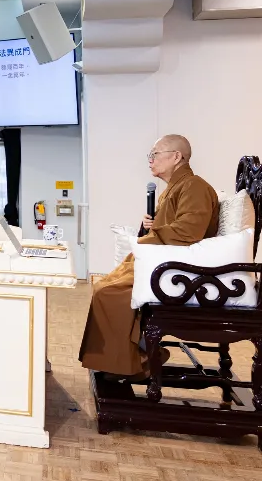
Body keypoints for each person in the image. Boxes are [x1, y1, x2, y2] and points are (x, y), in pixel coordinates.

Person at [79, 135, 220, 378]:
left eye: (155, 154)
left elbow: (189, 231)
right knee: (104, 285)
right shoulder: (173, 189)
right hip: (159, 258)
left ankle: (129, 364)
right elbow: (170, 227)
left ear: (176, 157)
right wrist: (148, 227)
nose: (150, 160)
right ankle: (133, 353)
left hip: (175, 268)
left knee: (109, 292)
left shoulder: (194, 186)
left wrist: (148, 237)